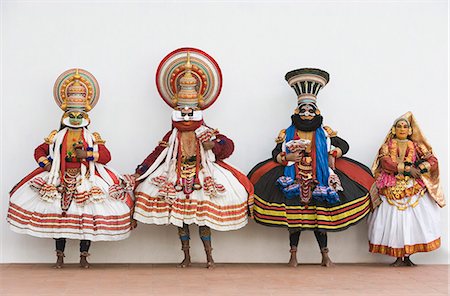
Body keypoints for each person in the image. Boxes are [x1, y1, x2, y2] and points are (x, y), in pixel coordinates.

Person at [132, 48, 253, 268]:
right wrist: (140, 172)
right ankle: (186, 256)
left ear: (199, 108)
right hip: (175, 176)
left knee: (204, 220)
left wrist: (213, 145)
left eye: (191, 110)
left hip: (203, 176)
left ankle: (209, 257)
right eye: (182, 109)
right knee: (181, 221)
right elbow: (157, 154)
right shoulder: (172, 135)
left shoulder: (207, 132)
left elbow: (228, 146)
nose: (186, 114)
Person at [7, 69, 134, 268]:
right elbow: (39, 151)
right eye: (71, 115)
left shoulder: (92, 137)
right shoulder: (55, 137)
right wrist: (46, 163)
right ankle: (60, 257)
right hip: (59, 177)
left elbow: (107, 157)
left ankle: (84, 256)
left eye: (79, 115)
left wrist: (88, 155)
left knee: (87, 218)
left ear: (86, 115)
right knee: (60, 220)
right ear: (65, 114)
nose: (75, 119)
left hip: (86, 179)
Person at [248, 68, 373, 267]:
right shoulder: (286, 133)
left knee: (320, 222)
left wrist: (333, 154)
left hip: (319, 178)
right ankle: (293, 256)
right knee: (294, 222)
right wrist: (286, 156)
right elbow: (275, 153)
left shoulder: (325, 132)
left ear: (317, 112)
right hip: (294, 178)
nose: (307, 114)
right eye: (303, 110)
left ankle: (325, 255)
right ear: (297, 112)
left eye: (310, 110)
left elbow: (343, 145)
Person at [368, 112, 445, 266]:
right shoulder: (387, 146)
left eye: (405, 126)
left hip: (413, 187)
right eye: (399, 126)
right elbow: (385, 163)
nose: (402, 129)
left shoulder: (417, 146)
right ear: (394, 129)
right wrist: (406, 169)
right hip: (391, 185)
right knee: (393, 220)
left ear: (410, 130)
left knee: (411, 220)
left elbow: (433, 160)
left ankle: (408, 256)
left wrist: (421, 168)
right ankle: (397, 256)